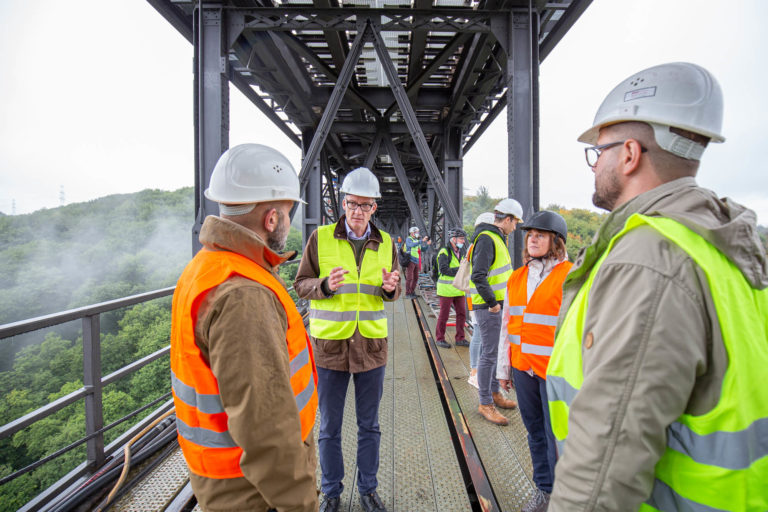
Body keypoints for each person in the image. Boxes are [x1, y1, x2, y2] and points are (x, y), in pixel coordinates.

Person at [547, 62, 768, 511]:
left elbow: (606, 458)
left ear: (629, 154)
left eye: (599, 152)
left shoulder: (648, 259)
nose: (595, 166)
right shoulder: (723, 246)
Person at [170, 144, 318, 512]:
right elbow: (266, 429)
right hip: (256, 491)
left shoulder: (206, 267)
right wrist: (301, 504)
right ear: (271, 219)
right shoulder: (244, 295)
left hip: (234, 479)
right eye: (287, 213)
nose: (289, 222)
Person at [294, 166, 401, 512]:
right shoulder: (320, 238)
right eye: (352, 203)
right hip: (330, 349)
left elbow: (393, 290)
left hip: (370, 347)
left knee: (369, 425)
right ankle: (332, 492)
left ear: (374, 208)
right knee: (329, 427)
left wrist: (391, 289)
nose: (358, 210)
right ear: (343, 204)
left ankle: (369, 489)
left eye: (365, 205)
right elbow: (300, 285)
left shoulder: (386, 244)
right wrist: (324, 286)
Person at [496, 210, 571, 512]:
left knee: (559, 437)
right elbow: (506, 327)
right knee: (535, 432)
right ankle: (544, 490)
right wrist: (504, 368)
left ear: (557, 241)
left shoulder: (570, 276)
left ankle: (566, 495)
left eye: (541, 234)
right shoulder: (517, 278)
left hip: (556, 373)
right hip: (523, 368)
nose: (533, 239)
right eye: (530, 234)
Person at [470, 198, 523, 425]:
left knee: (493, 353)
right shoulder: (487, 239)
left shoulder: (495, 238)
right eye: (516, 222)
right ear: (508, 219)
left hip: (496, 306)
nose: (516, 227)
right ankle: (485, 403)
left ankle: (494, 394)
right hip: (489, 307)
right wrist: (493, 303)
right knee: (489, 355)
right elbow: (478, 276)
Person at [466, 212, 495, 389]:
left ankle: (477, 371)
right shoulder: (482, 244)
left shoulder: (473, 245)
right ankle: (475, 372)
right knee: (478, 334)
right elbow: (480, 274)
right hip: (480, 297)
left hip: (476, 296)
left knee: (481, 335)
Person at [435, 227, 468, 348]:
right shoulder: (444, 252)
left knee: (462, 314)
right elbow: (444, 270)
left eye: (463, 239)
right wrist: (461, 270)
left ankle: (460, 338)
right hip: (446, 290)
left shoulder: (461, 251)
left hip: (459, 289)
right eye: (461, 239)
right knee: (444, 315)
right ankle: (440, 338)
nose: (463, 241)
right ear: (453, 239)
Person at [403, 226, 431, 299]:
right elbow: (411, 245)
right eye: (416, 232)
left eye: (418, 232)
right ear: (412, 233)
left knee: (416, 278)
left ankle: (412, 292)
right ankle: (407, 293)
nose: (417, 233)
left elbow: (423, 249)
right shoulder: (409, 239)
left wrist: (427, 244)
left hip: (416, 261)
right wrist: (422, 241)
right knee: (409, 278)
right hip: (410, 261)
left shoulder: (417, 241)